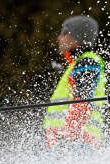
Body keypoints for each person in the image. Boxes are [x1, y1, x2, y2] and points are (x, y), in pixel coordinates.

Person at [44, 15, 106, 150]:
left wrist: (68, 141)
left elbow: (82, 102)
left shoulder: (87, 62)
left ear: (77, 37)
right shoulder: (77, 65)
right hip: (70, 144)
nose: (59, 38)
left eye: (63, 33)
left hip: (76, 145)